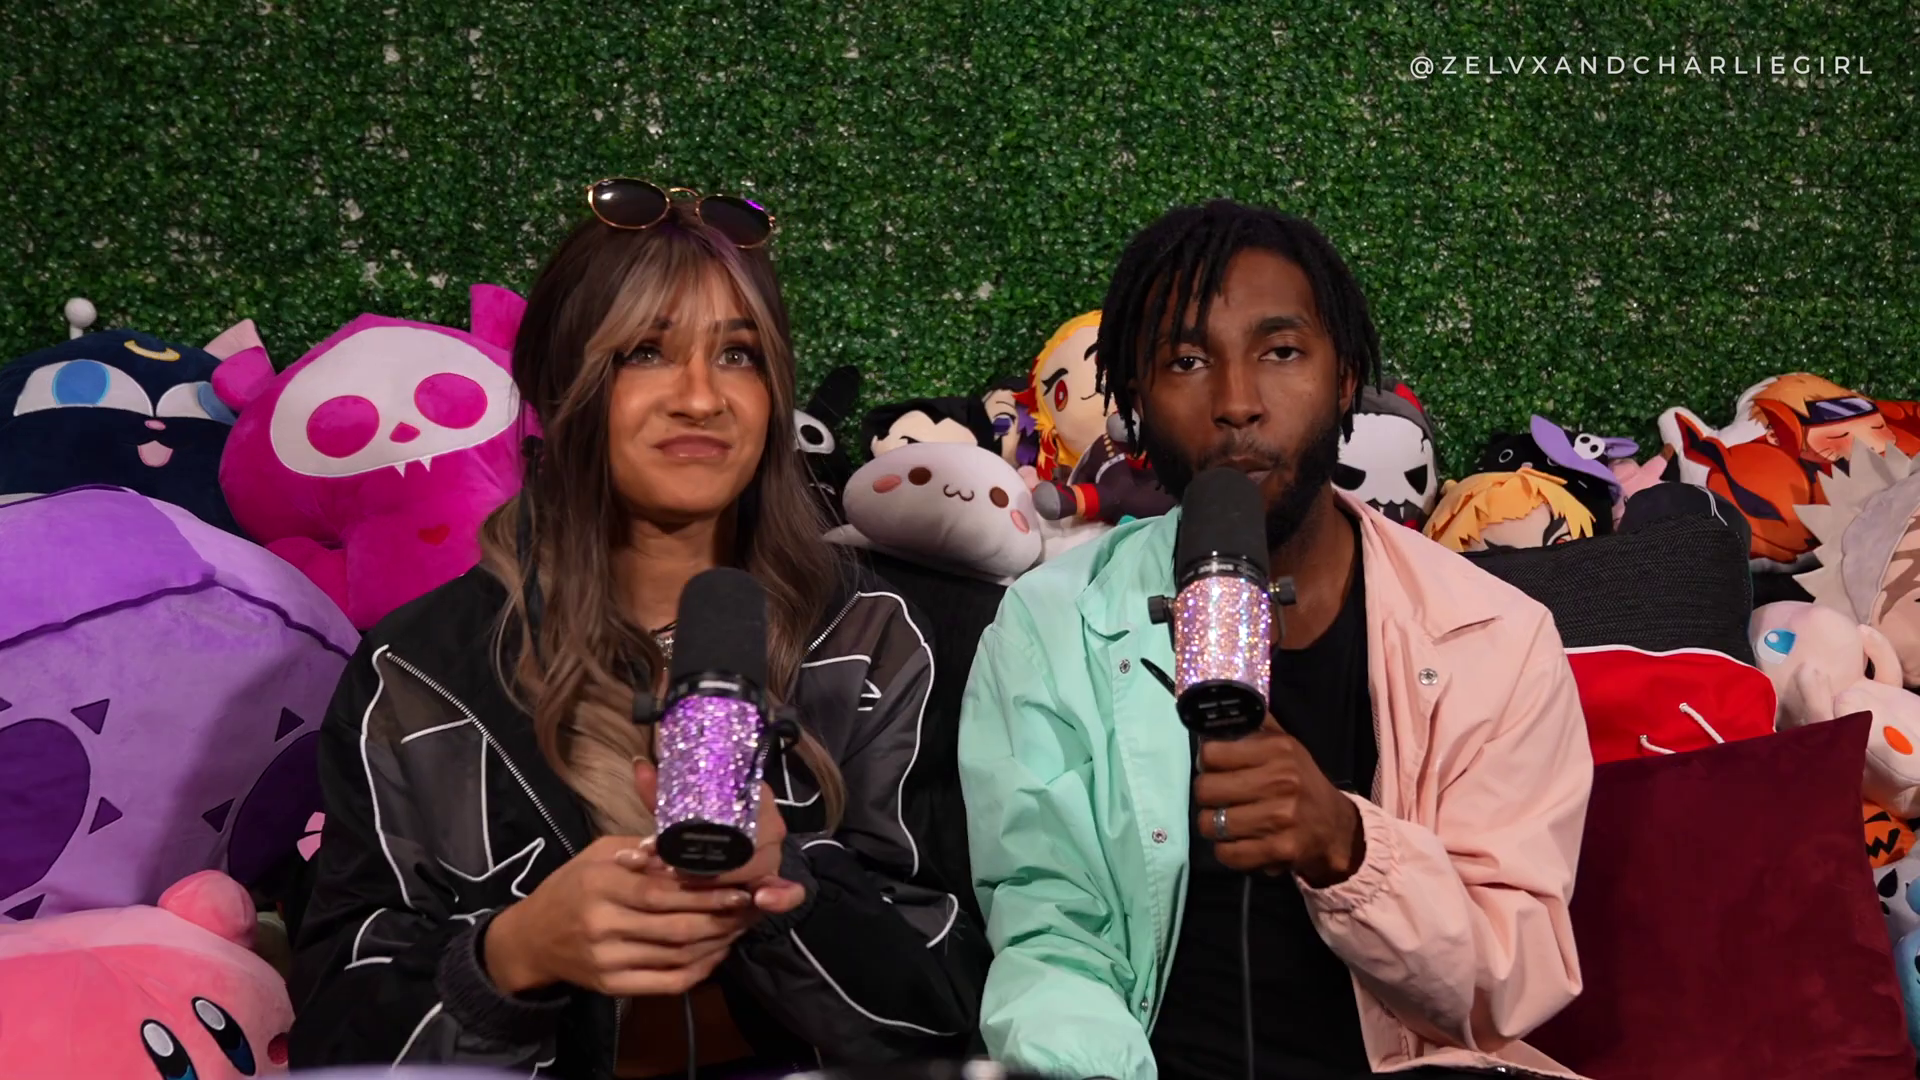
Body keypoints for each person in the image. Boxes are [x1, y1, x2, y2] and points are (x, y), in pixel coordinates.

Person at [290, 180, 990, 1078]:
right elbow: (336, 1034)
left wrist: (795, 890)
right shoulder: (417, 673)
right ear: (560, 389)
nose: (701, 398)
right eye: (646, 353)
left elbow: (956, 1000)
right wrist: (512, 956)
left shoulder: (875, 637)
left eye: (737, 355)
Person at [958, 200, 1591, 1080]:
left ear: (1345, 379)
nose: (1237, 403)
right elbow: (1051, 939)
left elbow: (1509, 984)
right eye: (1186, 362)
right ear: (1134, 399)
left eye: (1281, 351)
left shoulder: (1497, 637)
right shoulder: (1051, 624)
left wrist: (1350, 850)